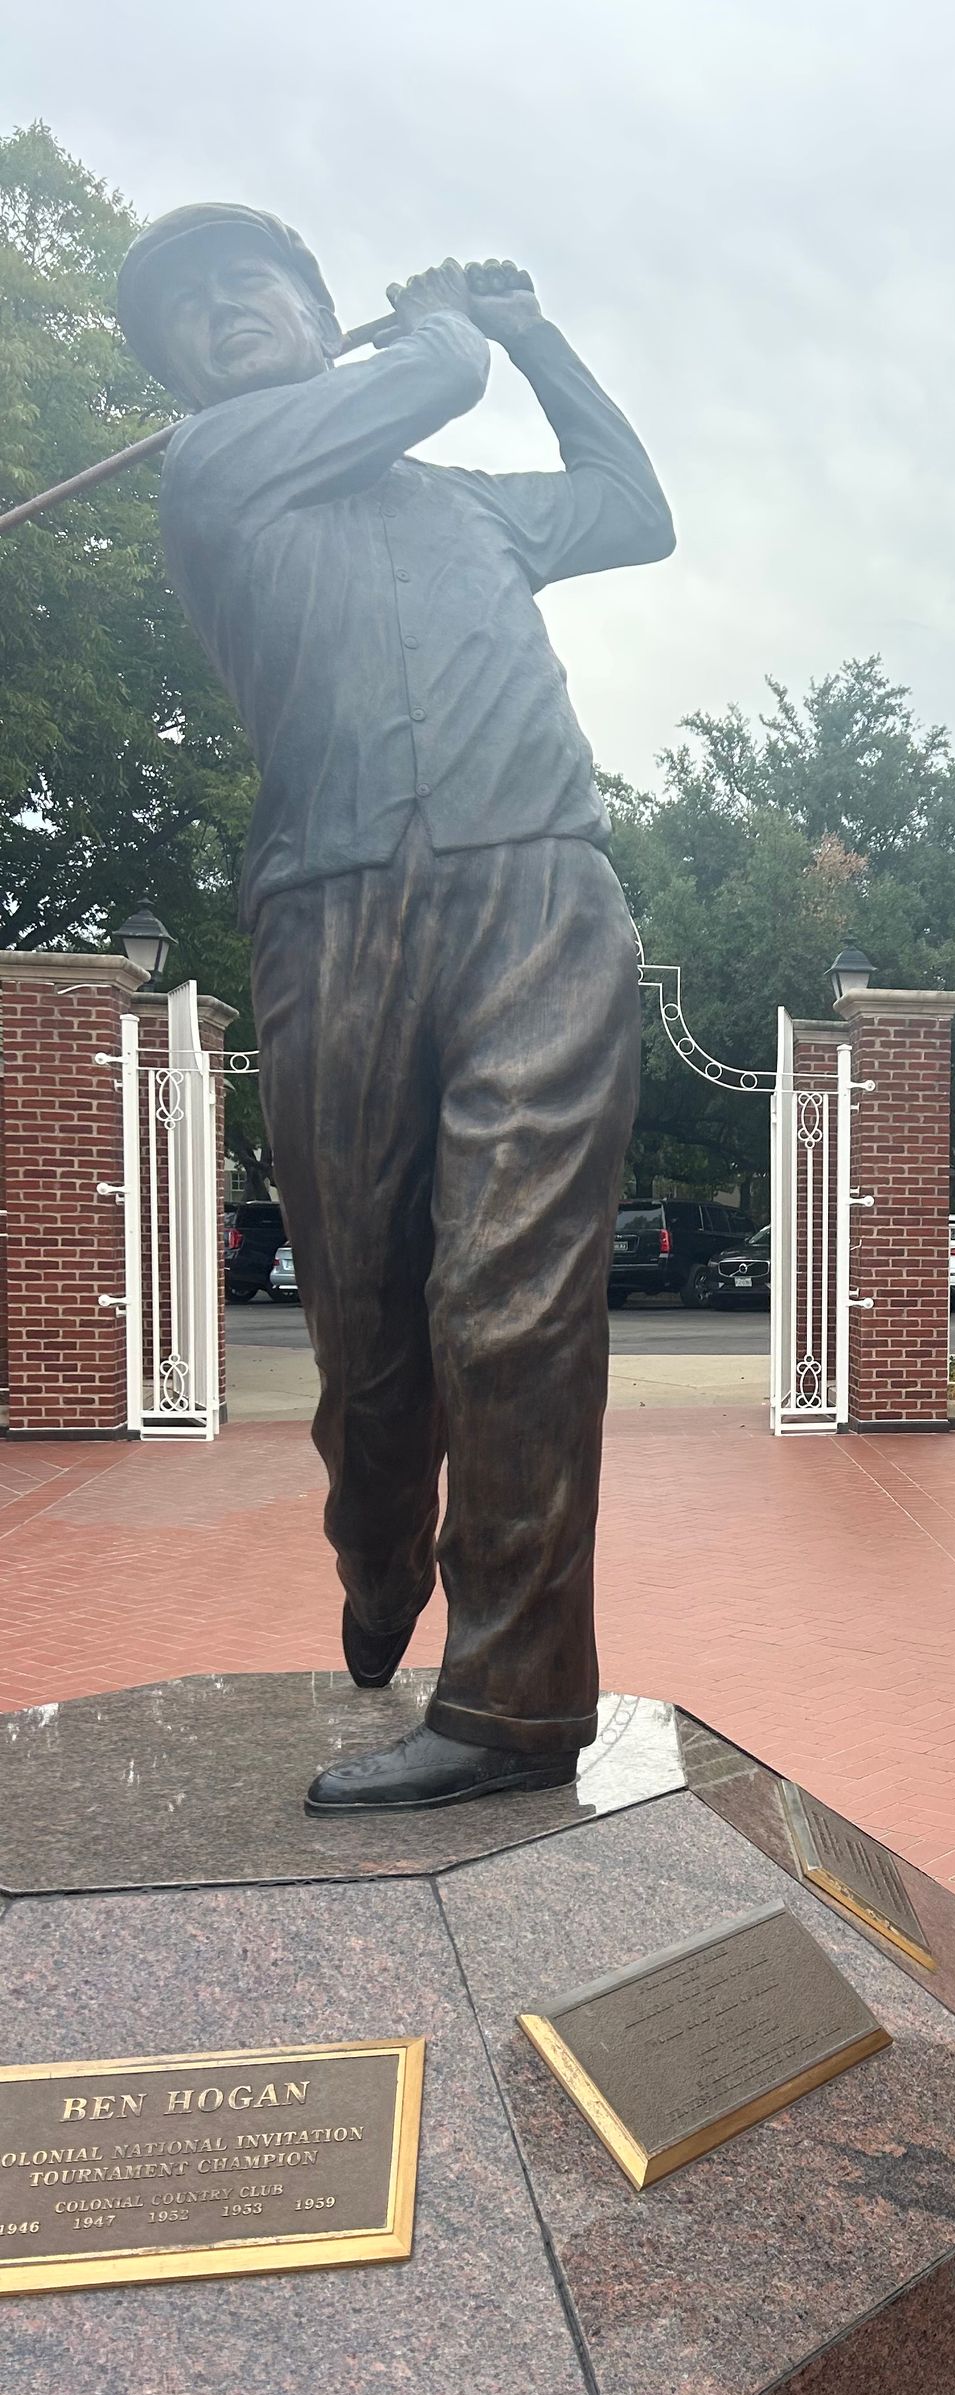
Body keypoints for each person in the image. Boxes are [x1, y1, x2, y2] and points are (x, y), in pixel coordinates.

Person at [114, 206, 674, 1813]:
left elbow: (635, 511)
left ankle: (512, 1702)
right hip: (334, 914)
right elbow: (431, 378)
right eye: (195, 307)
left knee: (514, 1308)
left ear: (311, 307)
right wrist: (453, 331)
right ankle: (379, 1553)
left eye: (256, 284)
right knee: (371, 1342)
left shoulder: (469, 512)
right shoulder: (219, 470)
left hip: (540, 901)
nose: (229, 312)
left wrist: (536, 332)